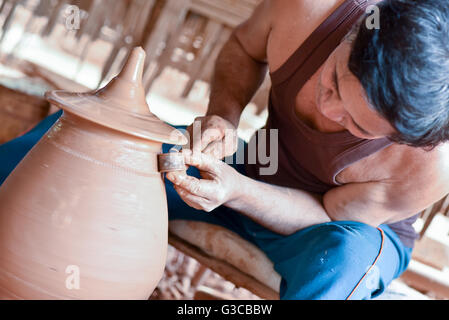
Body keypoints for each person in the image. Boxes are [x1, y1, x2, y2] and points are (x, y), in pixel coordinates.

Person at [1, 0, 448, 299]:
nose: (329, 110)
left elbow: (329, 217)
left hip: (331, 228)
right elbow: (243, 47)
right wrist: (223, 117)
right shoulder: (310, 11)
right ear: (355, 33)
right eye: (332, 82)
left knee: (341, 266)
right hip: (257, 165)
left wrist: (238, 192)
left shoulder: (430, 165)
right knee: (77, 144)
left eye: (354, 124)